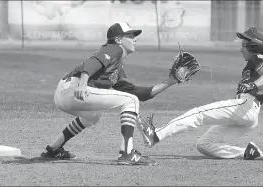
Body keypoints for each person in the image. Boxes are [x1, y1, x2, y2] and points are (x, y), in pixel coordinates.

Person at [40, 22, 180, 165]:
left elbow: (139, 94)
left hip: (65, 94)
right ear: (118, 39)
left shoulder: (117, 68)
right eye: (130, 36)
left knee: (94, 116)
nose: (135, 39)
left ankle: (53, 149)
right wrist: (82, 84)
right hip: (74, 88)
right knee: (130, 101)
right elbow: (91, 63)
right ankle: (127, 153)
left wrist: (171, 81)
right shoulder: (114, 48)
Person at [139, 27, 263, 160]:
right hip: (250, 114)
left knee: (198, 114)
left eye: (244, 45)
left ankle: (156, 135)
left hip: (245, 106)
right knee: (204, 145)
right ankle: (248, 152)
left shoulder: (258, 58)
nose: (241, 48)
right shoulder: (256, 60)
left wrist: (253, 84)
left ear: (254, 45)